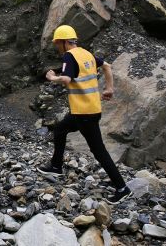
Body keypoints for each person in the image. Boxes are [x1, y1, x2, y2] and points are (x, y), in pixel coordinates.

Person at [39, 24, 132, 205]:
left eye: (58, 44)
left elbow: (66, 79)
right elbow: (107, 66)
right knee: (60, 129)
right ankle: (56, 166)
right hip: (86, 110)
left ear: (65, 42)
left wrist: (52, 78)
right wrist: (109, 88)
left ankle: (122, 188)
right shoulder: (86, 53)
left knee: (99, 151)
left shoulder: (69, 56)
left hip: (85, 114)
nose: (57, 47)